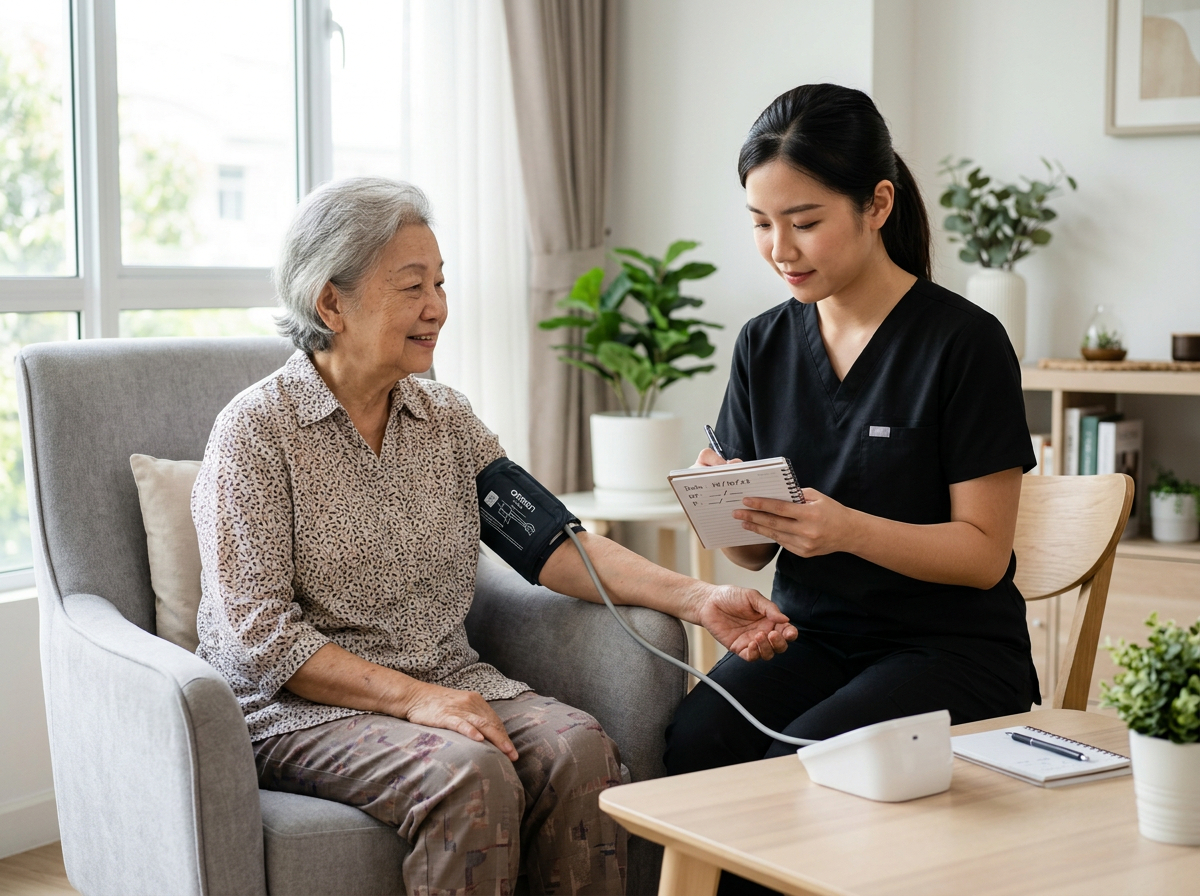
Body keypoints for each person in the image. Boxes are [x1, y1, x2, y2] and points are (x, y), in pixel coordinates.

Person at [192, 176, 798, 896]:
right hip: (297, 712)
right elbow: (259, 636)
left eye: (440, 283)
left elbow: (553, 543)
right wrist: (414, 700)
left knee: (581, 753)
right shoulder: (256, 432)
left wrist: (698, 599)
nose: (437, 307)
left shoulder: (445, 419)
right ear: (331, 304)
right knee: (470, 776)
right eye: (412, 286)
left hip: (448, 681)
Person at [664, 83, 1038, 891]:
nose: (780, 249)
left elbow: (983, 555)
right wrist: (720, 504)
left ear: (877, 204)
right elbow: (753, 553)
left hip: (951, 649)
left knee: (797, 762)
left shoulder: (964, 343)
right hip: (813, 634)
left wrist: (846, 530)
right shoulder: (763, 344)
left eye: (804, 222)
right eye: (761, 223)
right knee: (697, 740)